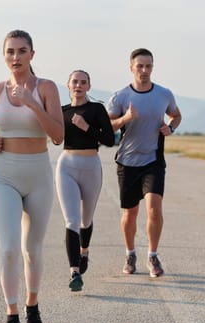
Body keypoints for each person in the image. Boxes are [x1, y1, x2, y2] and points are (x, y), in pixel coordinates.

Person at [0, 29, 64, 323]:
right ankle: (11, 314)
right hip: (5, 174)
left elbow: (58, 135)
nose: (15, 57)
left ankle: (32, 305)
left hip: (39, 174)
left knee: (32, 249)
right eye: (10, 52)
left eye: (21, 51)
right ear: (4, 55)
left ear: (32, 54)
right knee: (8, 249)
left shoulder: (46, 88)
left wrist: (32, 104)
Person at [106, 48, 182, 278]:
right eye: (140, 66)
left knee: (154, 208)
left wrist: (171, 127)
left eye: (148, 66)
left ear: (152, 68)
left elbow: (176, 115)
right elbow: (108, 126)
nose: (144, 70)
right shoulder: (120, 96)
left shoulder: (164, 94)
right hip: (127, 161)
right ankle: (130, 253)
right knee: (130, 212)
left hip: (153, 159)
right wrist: (126, 118)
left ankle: (152, 255)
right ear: (131, 68)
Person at [55, 70, 114, 292]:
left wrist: (86, 127)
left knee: (85, 220)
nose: (78, 85)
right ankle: (74, 272)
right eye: (74, 82)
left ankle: (84, 251)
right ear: (68, 85)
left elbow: (109, 139)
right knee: (71, 221)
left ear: (88, 86)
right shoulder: (62, 112)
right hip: (66, 166)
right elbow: (55, 138)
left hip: (91, 167)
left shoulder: (96, 109)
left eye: (83, 82)